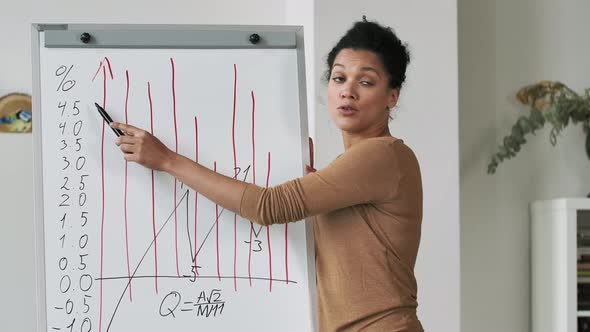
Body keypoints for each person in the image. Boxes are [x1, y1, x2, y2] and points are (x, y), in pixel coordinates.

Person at [111, 18, 423, 332]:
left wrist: (166, 159)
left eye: (366, 82)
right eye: (339, 78)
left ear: (392, 96)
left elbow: (268, 206)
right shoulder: (355, 166)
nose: (348, 92)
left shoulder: (382, 155)